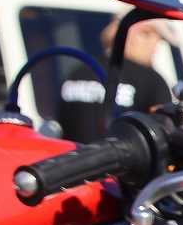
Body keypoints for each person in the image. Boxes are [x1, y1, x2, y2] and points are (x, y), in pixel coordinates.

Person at [56, 14, 175, 142]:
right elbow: (164, 134)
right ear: (137, 34)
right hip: (124, 154)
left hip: (75, 154)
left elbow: (62, 127)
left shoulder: (77, 73)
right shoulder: (152, 80)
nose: (155, 49)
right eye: (155, 39)